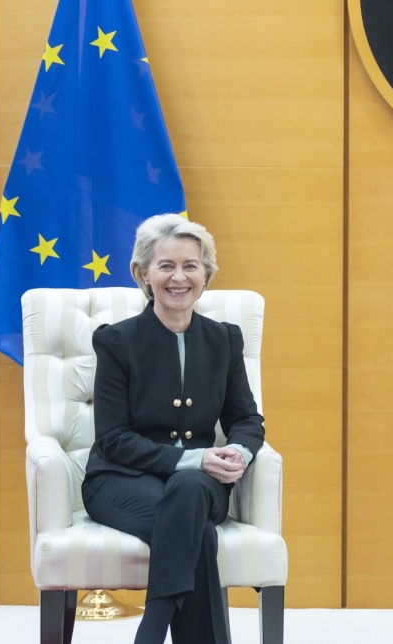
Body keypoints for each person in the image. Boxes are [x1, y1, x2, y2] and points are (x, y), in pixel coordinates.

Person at [81, 214, 265, 644]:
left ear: (206, 274)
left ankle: (150, 632)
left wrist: (238, 452)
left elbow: (246, 419)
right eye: (166, 266)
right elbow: (112, 439)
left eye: (190, 266)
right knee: (196, 531)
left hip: (201, 485)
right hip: (121, 480)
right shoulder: (116, 342)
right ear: (142, 274)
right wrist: (195, 458)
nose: (179, 277)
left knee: (189, 489)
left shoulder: (224, 340)